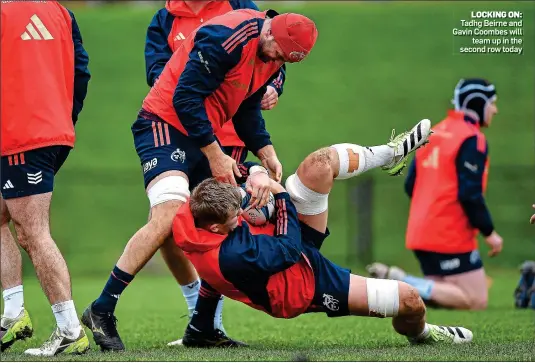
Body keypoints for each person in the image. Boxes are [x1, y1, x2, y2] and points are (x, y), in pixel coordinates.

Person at [82, 9, 318, 351]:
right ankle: (102, 308)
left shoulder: (273, 53)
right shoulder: (226, 36)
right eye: (278, 54)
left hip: (200, 130)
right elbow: (185, 98)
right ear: (270, 34)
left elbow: (247, 104)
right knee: (168, 215)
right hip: (164, 124)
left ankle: (204, 326)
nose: (277, 62)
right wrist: (215, 154)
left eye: (285, 61)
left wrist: (265, 149)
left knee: (223, 220)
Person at [173, 119, 473, 345]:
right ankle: (423, 335)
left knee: (318, 164)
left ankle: (389, 154)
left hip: (282, 239)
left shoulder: (198, 208)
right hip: (301, 282)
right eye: (235, 219)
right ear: (215, 228)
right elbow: (288, 251)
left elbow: (240, 176)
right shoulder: (233, 256)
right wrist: (278, 196)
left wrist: (257, 174)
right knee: (409, 301)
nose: (240, 217)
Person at [144, 0, 287, 342]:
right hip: (184, 132)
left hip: (230, 138)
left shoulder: (242, 8)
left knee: (218, 225)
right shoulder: (164, 19)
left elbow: (275, 55)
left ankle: (210, 324)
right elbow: (159, 75)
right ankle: (198, 311)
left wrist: (273, 88)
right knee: (169, 225)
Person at [0, 1, 91, 356]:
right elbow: (81, 73)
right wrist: (64, 119)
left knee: (32, 230)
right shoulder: (61, 12)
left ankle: (69, 330)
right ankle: (12, 312)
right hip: (50, 129)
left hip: (21, 134)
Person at [367, 78, 503, 311]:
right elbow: (470, 193)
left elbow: (411, 186)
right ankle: (401, 281)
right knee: (476, 300)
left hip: (420, 233)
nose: (495, 110)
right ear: (478, 103)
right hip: (448, 235)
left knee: (442, 299)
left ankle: (404, 284)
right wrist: (489, 232)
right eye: (492, 103)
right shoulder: (472, 138)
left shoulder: (433, 133)